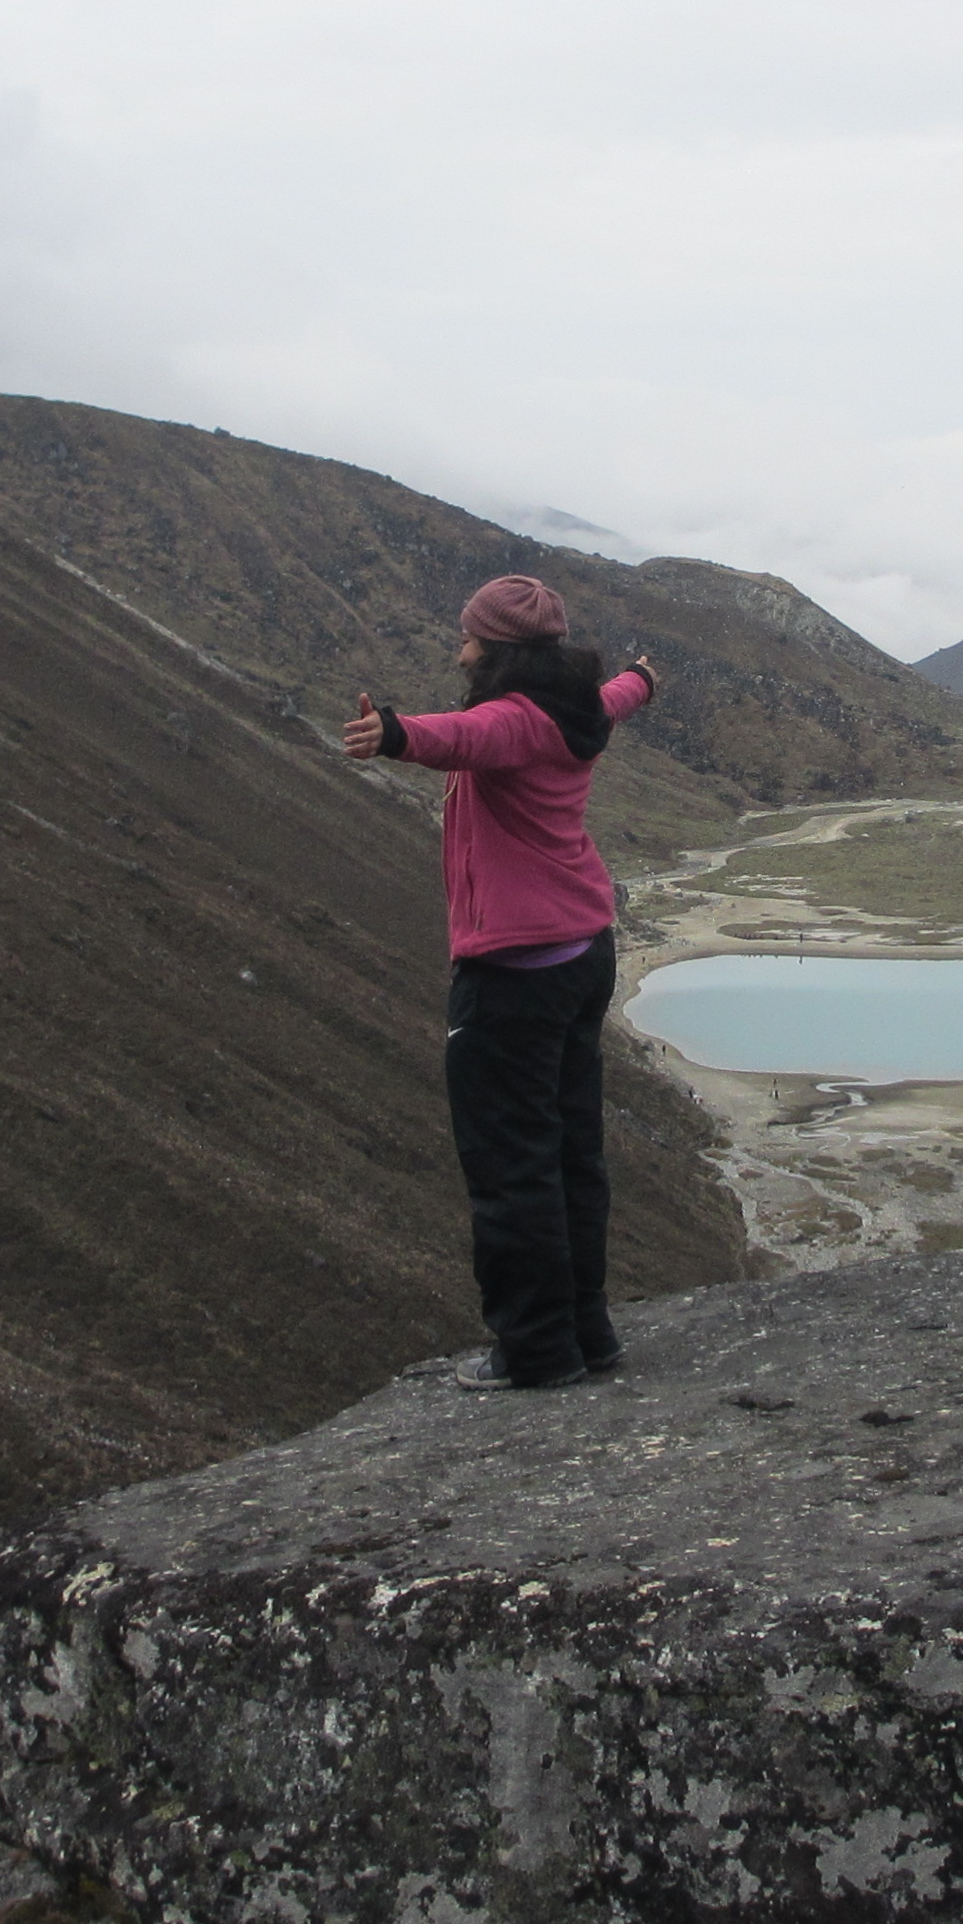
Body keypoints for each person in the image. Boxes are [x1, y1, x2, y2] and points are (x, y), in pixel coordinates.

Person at [339, 575, 660, 1390]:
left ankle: (537, 1350)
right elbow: (621, 694)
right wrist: (646, 678)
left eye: (469, 637)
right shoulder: (581, 703)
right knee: (571, 1152)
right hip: (583, 952)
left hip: (514, 973)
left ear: (498, 648)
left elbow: (460, 739)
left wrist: (393, 734)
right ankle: (589, 1332)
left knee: (512, 1166)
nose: (460, 649)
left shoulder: (513, 719)